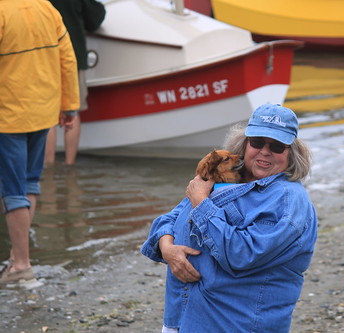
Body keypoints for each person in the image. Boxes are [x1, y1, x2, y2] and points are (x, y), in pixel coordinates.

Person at [142, 103, 318, 332]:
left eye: (276, 146)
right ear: (245, 144)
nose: (265, 151)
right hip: (183, 314)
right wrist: (167, 247)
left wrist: (202, 203)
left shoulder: (287, 202)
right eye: (257, 142)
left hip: (231, 322)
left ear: (291, 152)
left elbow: (242, 254)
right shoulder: (225, 177)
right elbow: (172, 217)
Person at [0, 0, 80, 285]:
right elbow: (68, 60)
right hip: (42, 112)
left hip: (8, 116)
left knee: (12, 190)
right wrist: (69, 104)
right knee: (29, 183)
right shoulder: (48, 8)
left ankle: (21, 264)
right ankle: (16, 256)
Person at [44, 0, 106, 165]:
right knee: (73, 110)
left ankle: (48, 167)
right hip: (73, 57)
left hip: (45, 57)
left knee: (48, 115)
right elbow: (95, 18)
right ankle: (69, 164)